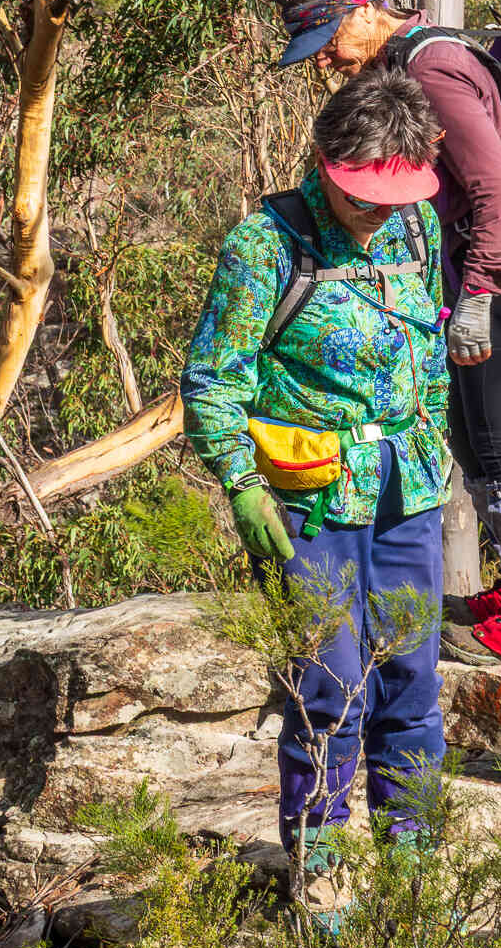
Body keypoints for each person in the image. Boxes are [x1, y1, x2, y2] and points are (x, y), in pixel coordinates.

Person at [181, 69, 449, 905]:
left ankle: (412, 871)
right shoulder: (266, 245)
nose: (378, 211)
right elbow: (213, 379)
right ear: (327, 163)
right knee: (327, 691)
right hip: (309, 500)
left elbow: (432, 358)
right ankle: (322, 879)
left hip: (408, 492)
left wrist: (436, 438)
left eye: (393, 195)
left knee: (412, 681)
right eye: (363, 193)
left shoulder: (418, 228)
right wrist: (241, 484)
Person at [273, 0, 501, 666]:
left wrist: (479, 294)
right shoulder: (404, 61)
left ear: (361, 10)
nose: (322, 60)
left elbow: (498, 188)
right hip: (477, 263)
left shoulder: (431, 69)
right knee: (472, 438)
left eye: (325, 39)